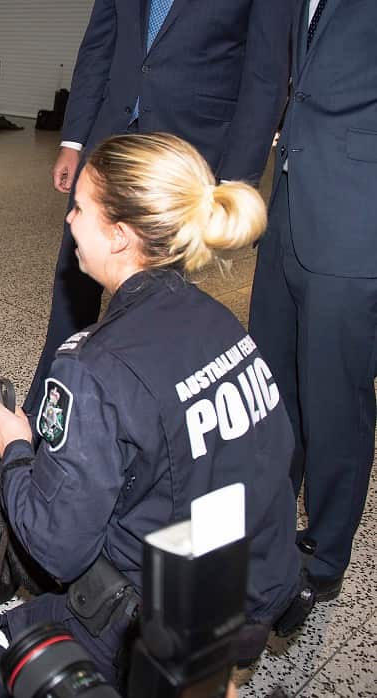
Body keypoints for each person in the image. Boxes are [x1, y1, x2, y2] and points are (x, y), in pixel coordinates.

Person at [0, 133, 302, 695]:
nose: (68, 222)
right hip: (254, 589)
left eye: (80, 208)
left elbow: (59, 549)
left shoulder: (90, 367)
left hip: (166, 622)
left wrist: (16, 449)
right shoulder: (222, 323)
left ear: (119, 236)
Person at [23, 0, 291, 421]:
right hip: (110, 139)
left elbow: (265, 73)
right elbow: (98, 45)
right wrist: (74, 141)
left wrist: (236, 178)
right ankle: (47, 413)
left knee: (154, 301)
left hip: (185, 152)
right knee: (73, 282)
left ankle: (132, 427)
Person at [248, 0, 377, 607]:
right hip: (290, 214)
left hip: (356, 222)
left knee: (336, 402)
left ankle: (325, 551)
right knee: (273, 389)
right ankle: (269, 524)